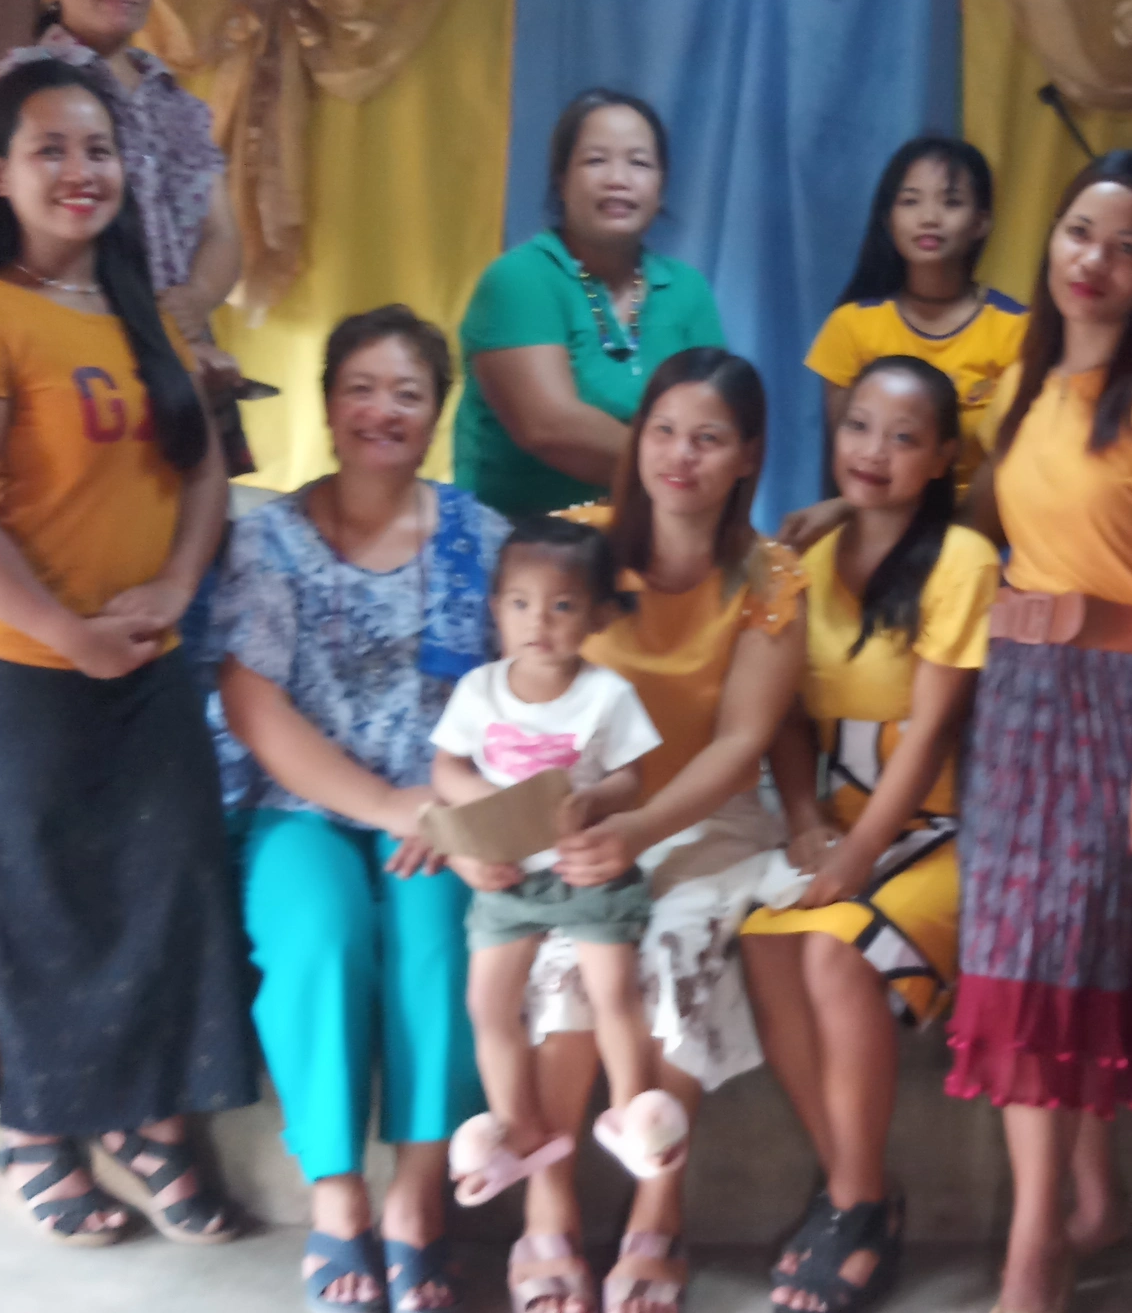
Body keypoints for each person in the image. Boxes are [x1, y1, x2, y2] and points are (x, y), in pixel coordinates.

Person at [0, 57, 251, 1250]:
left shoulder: (144, 310)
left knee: (168, 884)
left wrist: (172, 588)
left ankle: (149, 1120)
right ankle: (35, 1134)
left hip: (145, 655)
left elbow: (203, 471)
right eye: (48, 148)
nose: (79, 170)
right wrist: (67, 632)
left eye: (97, 148)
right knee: (38, 897)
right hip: (10, 669)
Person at [949, 150, 1132, 1313]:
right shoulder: (1018, 386)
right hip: (1015, 696)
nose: (1093, 260)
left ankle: (1034, 1253)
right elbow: (980, 529)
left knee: (1070, 943)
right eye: (1077, 232)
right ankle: (1081, 1194)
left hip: (1123, 700)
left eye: (1124, 245)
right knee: (1026, 952)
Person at [214, 307, 504, 1310]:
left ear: (437, 413)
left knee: (437, 938)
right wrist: (385, 804)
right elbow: (253, 703)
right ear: (330, 403)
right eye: (362, 388)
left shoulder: (475, 538)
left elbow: (511, 693)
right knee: (320, 937)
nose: (383, 410)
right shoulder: (270, 540)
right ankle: (336, 1198)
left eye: (408, 393)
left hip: (438, 811)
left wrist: (447, 808)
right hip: (304, 806)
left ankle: (418, 1200)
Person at [508, 349, 806, 1313]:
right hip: (587, 810)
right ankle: (547, 1204)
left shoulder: (772, 575)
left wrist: (642, 829)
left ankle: (656, 1210)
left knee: (676, 947)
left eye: (709, 438)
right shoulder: (579, 546)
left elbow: (743, 740)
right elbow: (520, 696)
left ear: (748, 455)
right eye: (664, 431)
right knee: (568, 957)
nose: (680, 455)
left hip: (710, 817)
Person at [746, 355, 999, 1312]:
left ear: (941, 458)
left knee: (834, 951)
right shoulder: (796, 560)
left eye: (903, 437)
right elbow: (779, 713)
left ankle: (852, 1209)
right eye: (858, 427)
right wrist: (806, 819)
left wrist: (853, 860)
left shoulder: (963, 561)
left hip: (944, 828)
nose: (873, 451)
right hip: (841, 820)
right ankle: (861, 1191)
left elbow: (930, 731)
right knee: (766, 944)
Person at [426, 517, 685, 1203]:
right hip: (508, 878)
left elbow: (633, 778)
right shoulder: (479, 690)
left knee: (612, 991)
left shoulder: (606, 694)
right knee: (487, 1002)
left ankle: (631, 1110)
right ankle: (519, 1124)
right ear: (495, 609)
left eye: (562, 605)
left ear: (598, 616)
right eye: (519, 603)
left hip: (584, 870)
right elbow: (446, 768)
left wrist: (594, 798)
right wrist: (487, 802)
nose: (537, 621)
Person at [0, 0, 240, 389]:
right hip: (68, 353)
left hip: (178, 356)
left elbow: (221, 231)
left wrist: (196, 299)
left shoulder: (176, 101)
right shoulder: (25, 84)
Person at [455, 89, 727, 516]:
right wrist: (682, 467)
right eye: (596, 160)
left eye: (639, 163)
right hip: (520, 543)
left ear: (661, 187)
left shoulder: (687, 289)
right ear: (561, 181)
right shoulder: (518, 279)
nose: (618, 178)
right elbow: (549, 427)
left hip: (651, 537)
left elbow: (718, 424)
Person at [778, 136, 1024, 549]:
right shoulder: (851, 327)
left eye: (950, 202)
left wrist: (950, 551)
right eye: (910, 201)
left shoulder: (1018, 331)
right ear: (889, 219)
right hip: (874, 533)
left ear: (981, 222)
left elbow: (1011, 469)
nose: (929, 218)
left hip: (975, 541)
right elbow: (856, 464)